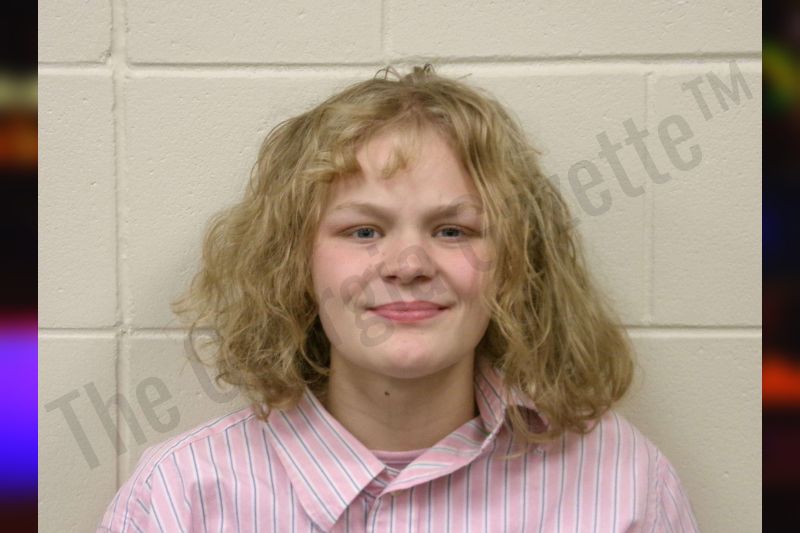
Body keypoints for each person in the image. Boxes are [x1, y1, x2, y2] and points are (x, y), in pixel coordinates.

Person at [97, 64, 700, 532]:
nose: (408, 266)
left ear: (515, 262)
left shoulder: (620, 479)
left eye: (453, 231)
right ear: (294, 262)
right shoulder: (180, 498)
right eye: (363, 231)